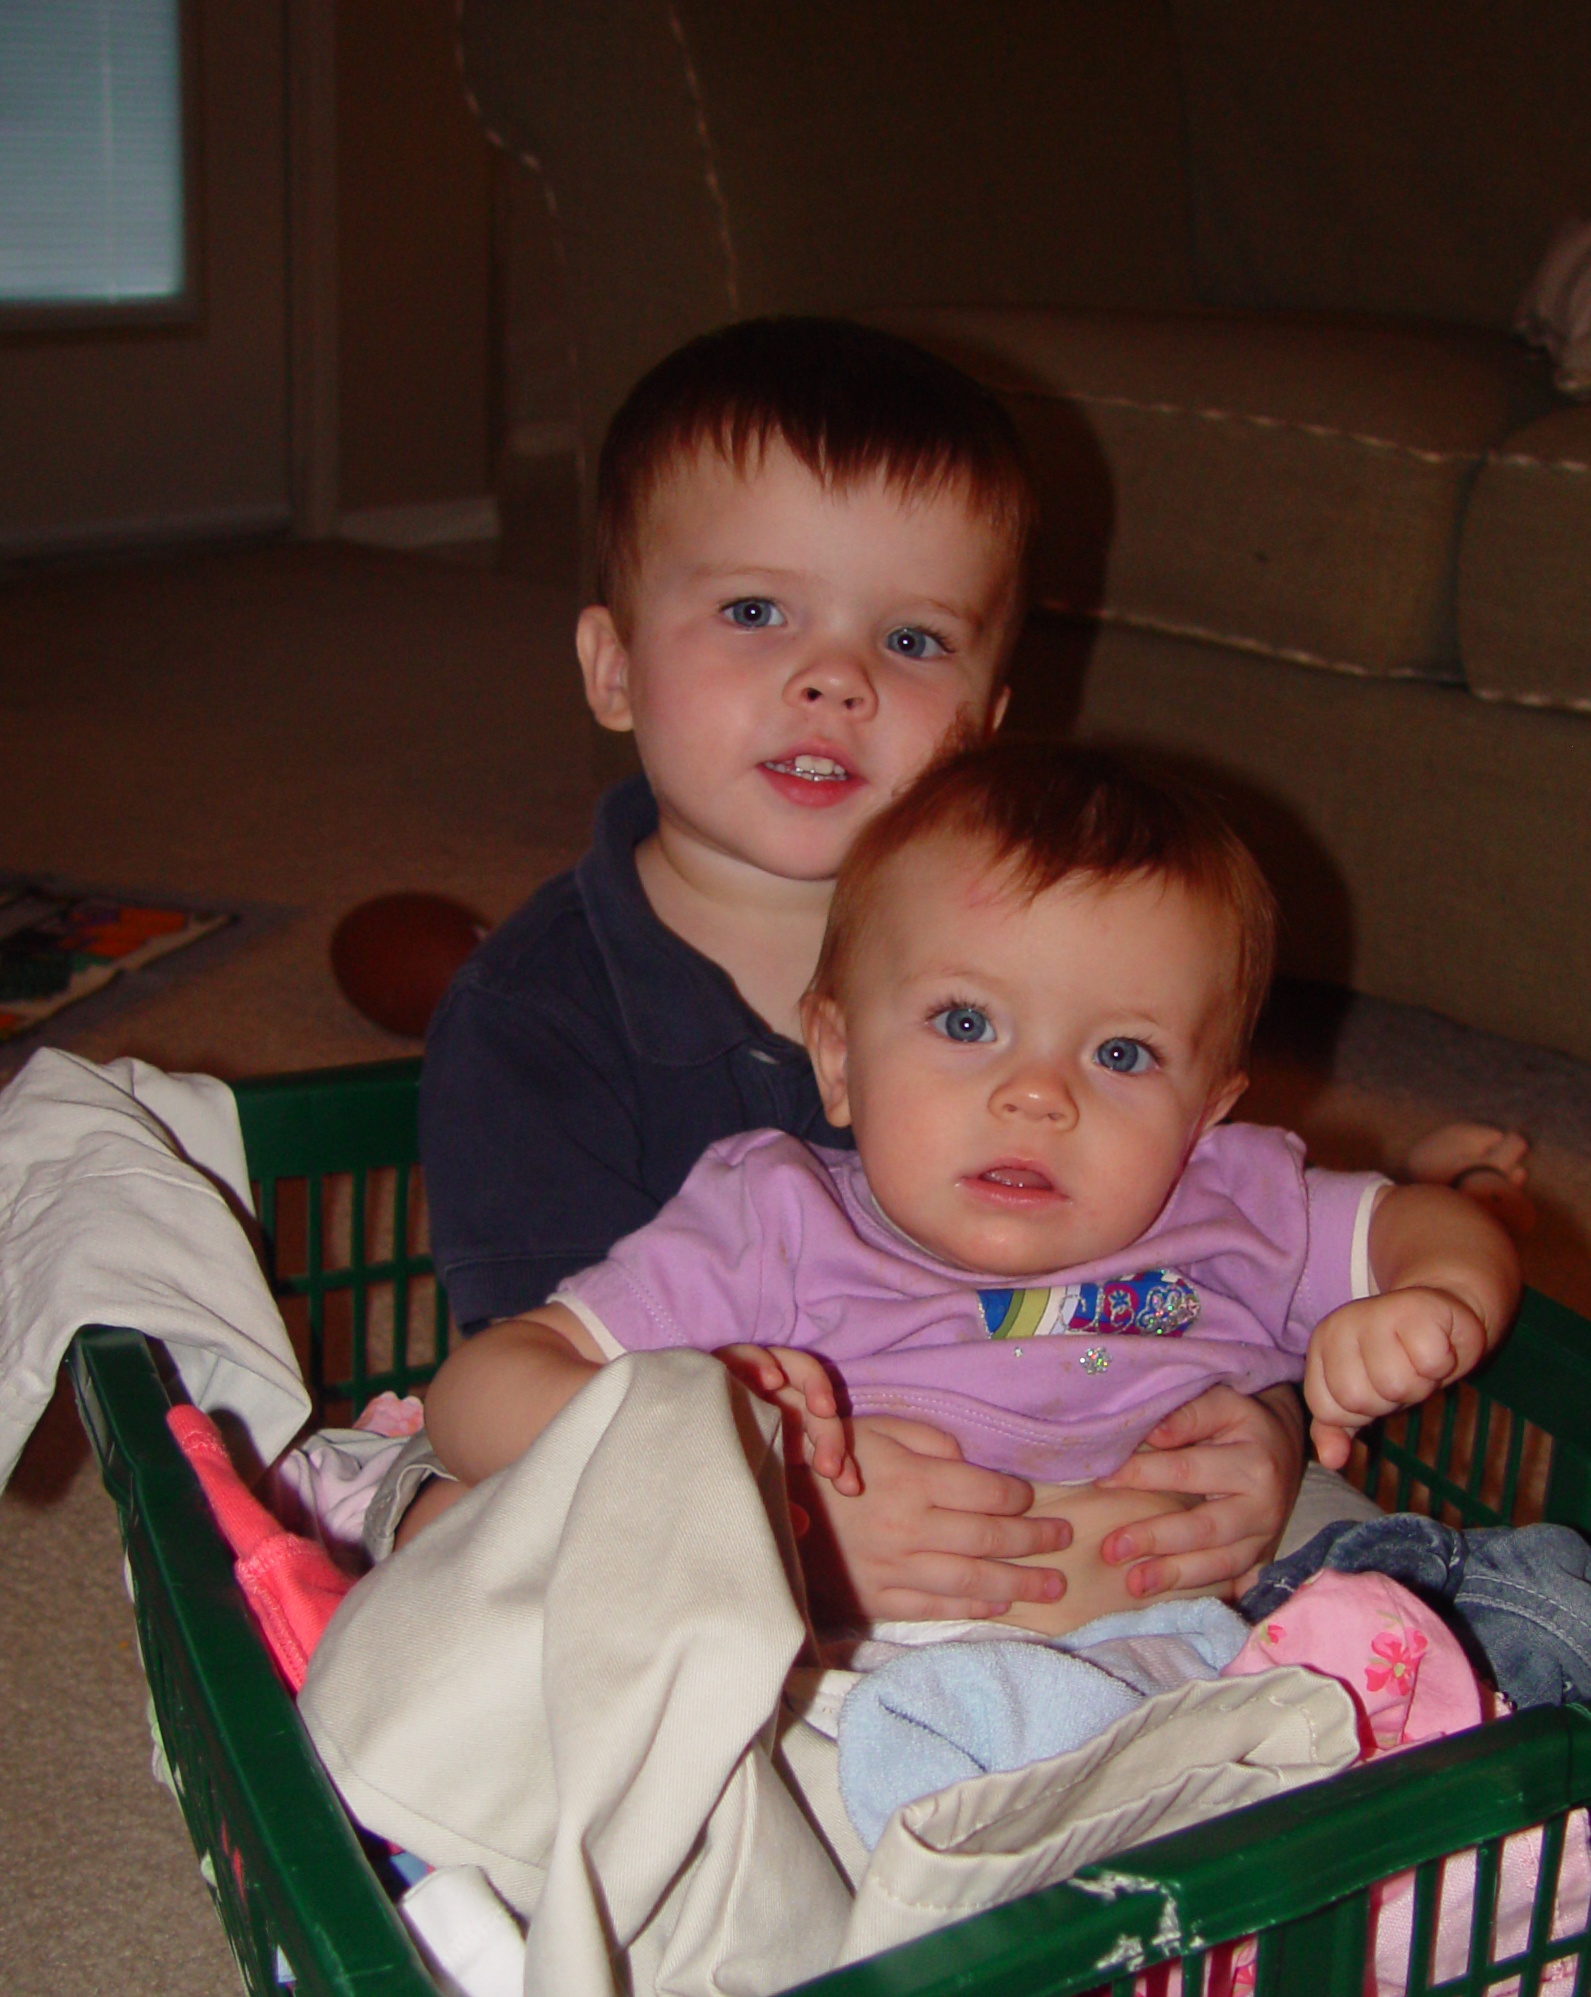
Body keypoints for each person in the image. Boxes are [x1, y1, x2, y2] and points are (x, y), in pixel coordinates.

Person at [418, 314, 1524, 1625]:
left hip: (1100, 1543)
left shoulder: (1066, 967)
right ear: (612, 667)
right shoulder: (536, 1023)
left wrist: (1265, 1424)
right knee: (453, 1546)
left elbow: (1179, 1271)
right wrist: (777, 1505)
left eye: (914, 640)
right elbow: (517, 1399)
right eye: (756, 610)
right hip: (739, 1546)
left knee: (1433, 1604)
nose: (833, 679)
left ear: (992, 729)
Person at [414, 744, 1522, 1635]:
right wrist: (754, 1474)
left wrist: (1438, 1298)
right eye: (965, 1023)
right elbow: (478, 1396)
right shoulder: (775, 1222)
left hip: (1188, 1695)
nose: (1037, 1095)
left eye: (1124, 1055)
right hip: (833, 1689)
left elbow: (1432, 1228)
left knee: (1501, 1610)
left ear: (1208, 1110)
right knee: (484, 1558)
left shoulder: (1231, 1203)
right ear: (838, 1061)